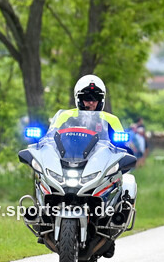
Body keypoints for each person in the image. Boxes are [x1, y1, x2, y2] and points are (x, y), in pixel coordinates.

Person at [50, 74, 137, 210]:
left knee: (126, 182)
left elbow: (122, 148)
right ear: (79, 99)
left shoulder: (111, 120)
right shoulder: (65, 116)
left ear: (101, 100)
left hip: (97, 168)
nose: (91, 102)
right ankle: (42, 211)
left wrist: (123, 147)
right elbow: (50, 139)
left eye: (95, 98)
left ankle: (117, 210)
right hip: (66, 165)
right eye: (87, 98)